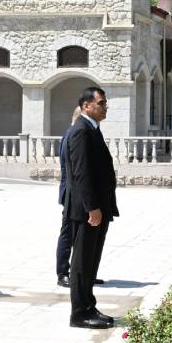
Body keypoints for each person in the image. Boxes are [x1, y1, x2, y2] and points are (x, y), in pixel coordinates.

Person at [62, 87, 118, 330]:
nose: (105, 107)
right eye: (101, 103)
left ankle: (88, 306)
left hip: (98, 208)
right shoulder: (80, 131)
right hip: (86, 210)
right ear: (86, 106)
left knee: (91, 261)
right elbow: (81, 173)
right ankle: (79, 313)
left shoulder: (92, 129)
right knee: (82, 263)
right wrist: (92, 207)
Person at [55, 105, 81, 288]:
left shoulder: (73, 133)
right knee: (68, 234)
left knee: (79, 234)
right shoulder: (71, 135)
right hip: (71, 193)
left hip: (75, 192)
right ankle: (63, 273)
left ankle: (80, 271)